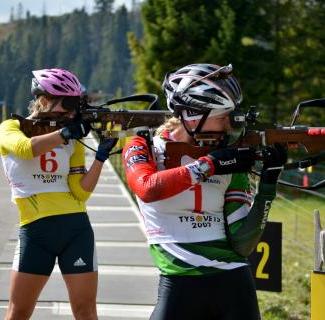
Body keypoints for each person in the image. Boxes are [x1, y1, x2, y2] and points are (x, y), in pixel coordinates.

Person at [122, 63, 287, 320]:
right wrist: (210, 165)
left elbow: (242, 244)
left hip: (233, 284)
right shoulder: (144, 147)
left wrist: (267, 186)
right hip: (178, 283)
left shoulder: (231, 156)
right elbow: (147, 188)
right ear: (191, 114)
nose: (227, 126)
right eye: (221, 117)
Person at [0, 68, 117, 320]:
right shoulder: (12, 127)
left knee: (86, 312)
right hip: (35, 231)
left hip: (77, 230)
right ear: (43, 100)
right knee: (18, 312)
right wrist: (64, 133)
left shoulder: (71, 139)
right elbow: (26, 149)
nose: (72, 113)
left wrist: (100, 158)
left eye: (76, 106)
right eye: (67, 105)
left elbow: (80, 192)